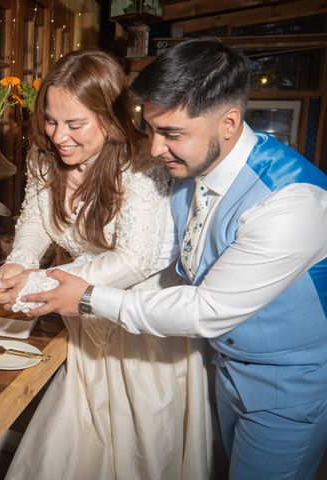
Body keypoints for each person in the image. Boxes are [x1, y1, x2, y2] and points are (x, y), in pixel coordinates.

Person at [18, 38, 327, 479]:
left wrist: (87, 297)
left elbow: (209, 309)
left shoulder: (293, 204)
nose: (156, 148)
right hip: (220, 368)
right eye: (151, 128)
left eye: (172, 134)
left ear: (229, 122)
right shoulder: (189, 169)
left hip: (288, 388)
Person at [0, 48, 213, 479]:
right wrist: (19, 260)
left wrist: (42, 278)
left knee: (140, 446)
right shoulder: (42, 157)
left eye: (74, 124)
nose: (58, 136)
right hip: (83, 323)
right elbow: (35, 221)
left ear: (109, 117)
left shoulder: (142, 164)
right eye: (50, 120)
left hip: (141, 331)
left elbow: (136, 259)